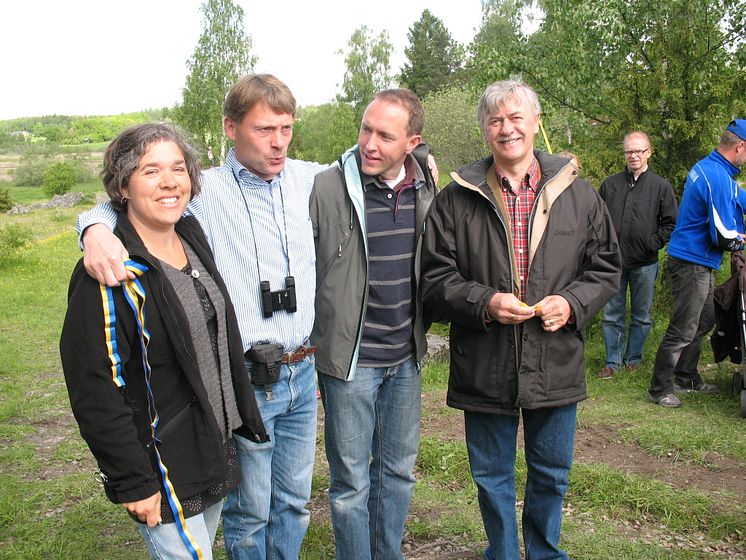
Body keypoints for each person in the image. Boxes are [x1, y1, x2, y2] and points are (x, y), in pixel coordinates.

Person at [76, 74, 326, 559]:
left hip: (302, 370)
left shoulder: (308, 177)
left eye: (286, 129)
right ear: (231, 128)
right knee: (248, 511)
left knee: (294, 503)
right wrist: (93, 231)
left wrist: (421, 159)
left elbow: (370, 163)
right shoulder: (198, 192)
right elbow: (118, 205)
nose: (277, 143)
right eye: (263, 130)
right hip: (247, 378)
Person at [421, 79, 620, 560]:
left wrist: (572, 302)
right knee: (492, 476)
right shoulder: (456, 197)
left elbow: (606, 266)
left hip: (555, 358)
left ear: (535, 123)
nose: (506, 129)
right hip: (485, 360)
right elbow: (434, 277)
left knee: (552, 471)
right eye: (495, 120)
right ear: (485, 131)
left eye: (515, 118)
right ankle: (504, 553)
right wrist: (485, 301)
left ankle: (545, 552)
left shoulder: (579, 194)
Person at [60, 123, 268, 560]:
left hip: (210, 444)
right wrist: (132, 479)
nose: (170, 181)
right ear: (123, 185)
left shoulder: (191, 235)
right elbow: (94, 386)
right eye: (150, 171)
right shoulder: (112, 274)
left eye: (178, 168)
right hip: (162, 460)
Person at [309, 89, 436, 560]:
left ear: (412, 142)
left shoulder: (426, 188)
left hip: (405, 358)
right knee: (349, 484)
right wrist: (96, 224)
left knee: (398, 472)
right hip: (350, 362)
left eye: (385, 135)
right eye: (366, 129)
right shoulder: (325, 187)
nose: (370, 143)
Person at [648, 119, 746, 408]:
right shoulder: (715, 175)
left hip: (702, 261)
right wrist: (741, 240)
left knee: (704, 319)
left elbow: (740, 198)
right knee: (683, 327)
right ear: (740, 146)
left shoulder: (721, 173)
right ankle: (659, 387)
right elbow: (722, 234)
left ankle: (686, 376)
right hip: (691, 261)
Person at [597, 131, 678, 379]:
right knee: (612, 314)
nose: (633, 155)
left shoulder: (660, 187)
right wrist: (603, 247)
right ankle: (613, 361)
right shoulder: (610, 185)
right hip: (614, 262)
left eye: (638, 151)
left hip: (645, 263)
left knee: (642, 315)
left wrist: (651, 244)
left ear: (648, 152)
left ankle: (634, 358)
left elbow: (671, 223)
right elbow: (597, 220)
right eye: (629, 151)